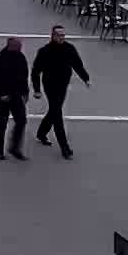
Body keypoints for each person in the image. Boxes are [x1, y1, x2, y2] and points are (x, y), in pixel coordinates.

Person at [32, 25, 90, 159]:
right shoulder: (44, 51)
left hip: (62, 85)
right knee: (57, 115)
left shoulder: (69, 49)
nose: (62, 37)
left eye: (63, 35)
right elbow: (36, 71)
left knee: (53, 111)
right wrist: (37, 89)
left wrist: (85, 78)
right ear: (53, 36)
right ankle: (65, 148)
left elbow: (77, 64)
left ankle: (41, 133)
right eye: (59, 35)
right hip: (50, 85)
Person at [0, 37, 29, 161]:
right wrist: (1, 95)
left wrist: (25, 92)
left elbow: (24, 76)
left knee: (21, 120)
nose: (20, 48)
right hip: (2, 96)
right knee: (2, 122)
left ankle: (15, 147)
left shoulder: (21, 58)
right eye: (18, 46)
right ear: (10, 46)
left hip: (16, 94)